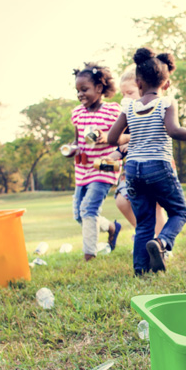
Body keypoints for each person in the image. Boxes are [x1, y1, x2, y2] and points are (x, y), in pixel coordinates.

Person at [108, 48, 186, 275]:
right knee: (179, 213)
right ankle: (162, 243)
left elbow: (111, 139)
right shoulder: (166, 103)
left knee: (144, 221)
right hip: (158, 166)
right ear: (166, 83)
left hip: (133, 170)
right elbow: (174, 131)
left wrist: (132, 135)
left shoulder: (129, 107)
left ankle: (141, 270)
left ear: (138, 83)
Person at [68, 62, 123, 261]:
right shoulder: (77, 113)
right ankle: (111, 227)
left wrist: (106, 136)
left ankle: (89, 255)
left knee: (88, 210)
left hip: (105, 166)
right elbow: (77, 141)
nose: (80, 94)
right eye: (77, 91)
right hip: (83, 170)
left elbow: (123, 136)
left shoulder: (113, 111)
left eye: (84, 89)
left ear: (99, 89)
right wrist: (71, 149)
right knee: (78, 215)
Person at [111, 67, 168, 235]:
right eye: (123, 94)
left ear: (143, 87)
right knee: (122, 201)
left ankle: (162, 245)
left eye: (129, 92)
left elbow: (162, 135)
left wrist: (133, 142)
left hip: (156, 165)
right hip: (132, 169)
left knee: (156, 207)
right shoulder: (128, 114)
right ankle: (146, 235)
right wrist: (115, 154)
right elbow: (120, 140)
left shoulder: (159, 108)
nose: (125, 98)